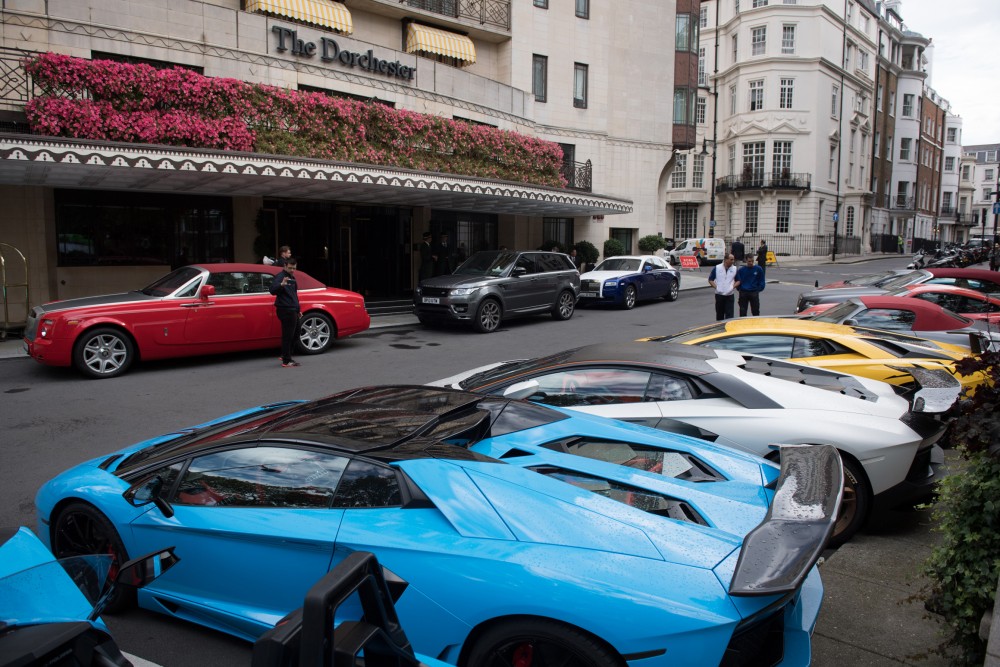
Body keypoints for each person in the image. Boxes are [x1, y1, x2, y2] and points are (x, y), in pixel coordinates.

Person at [270, 258, 301, 367]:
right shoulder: (280, 276)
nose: (292, 270)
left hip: (292, 309)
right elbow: (272, 290)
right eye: (290, 268)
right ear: (285, 265)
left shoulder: (292, 277)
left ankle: (285, 355)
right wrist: (281, 284)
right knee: (288, 335)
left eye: (294, 268)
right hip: (286, 309)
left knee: (296, 333)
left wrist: (298, 310)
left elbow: (294, 295)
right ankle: (287, 360)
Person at [708, 254, 739, 321]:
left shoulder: (734, 269)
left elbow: (738, 280)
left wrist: (732, 287)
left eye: (733, 259)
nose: (733, 261)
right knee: (719, 314)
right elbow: (710, 280)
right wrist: (717, 288)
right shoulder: (717, 268)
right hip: (719, 295)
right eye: (731, 259)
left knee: (730, 315)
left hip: (729, 295)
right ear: (726, 260)